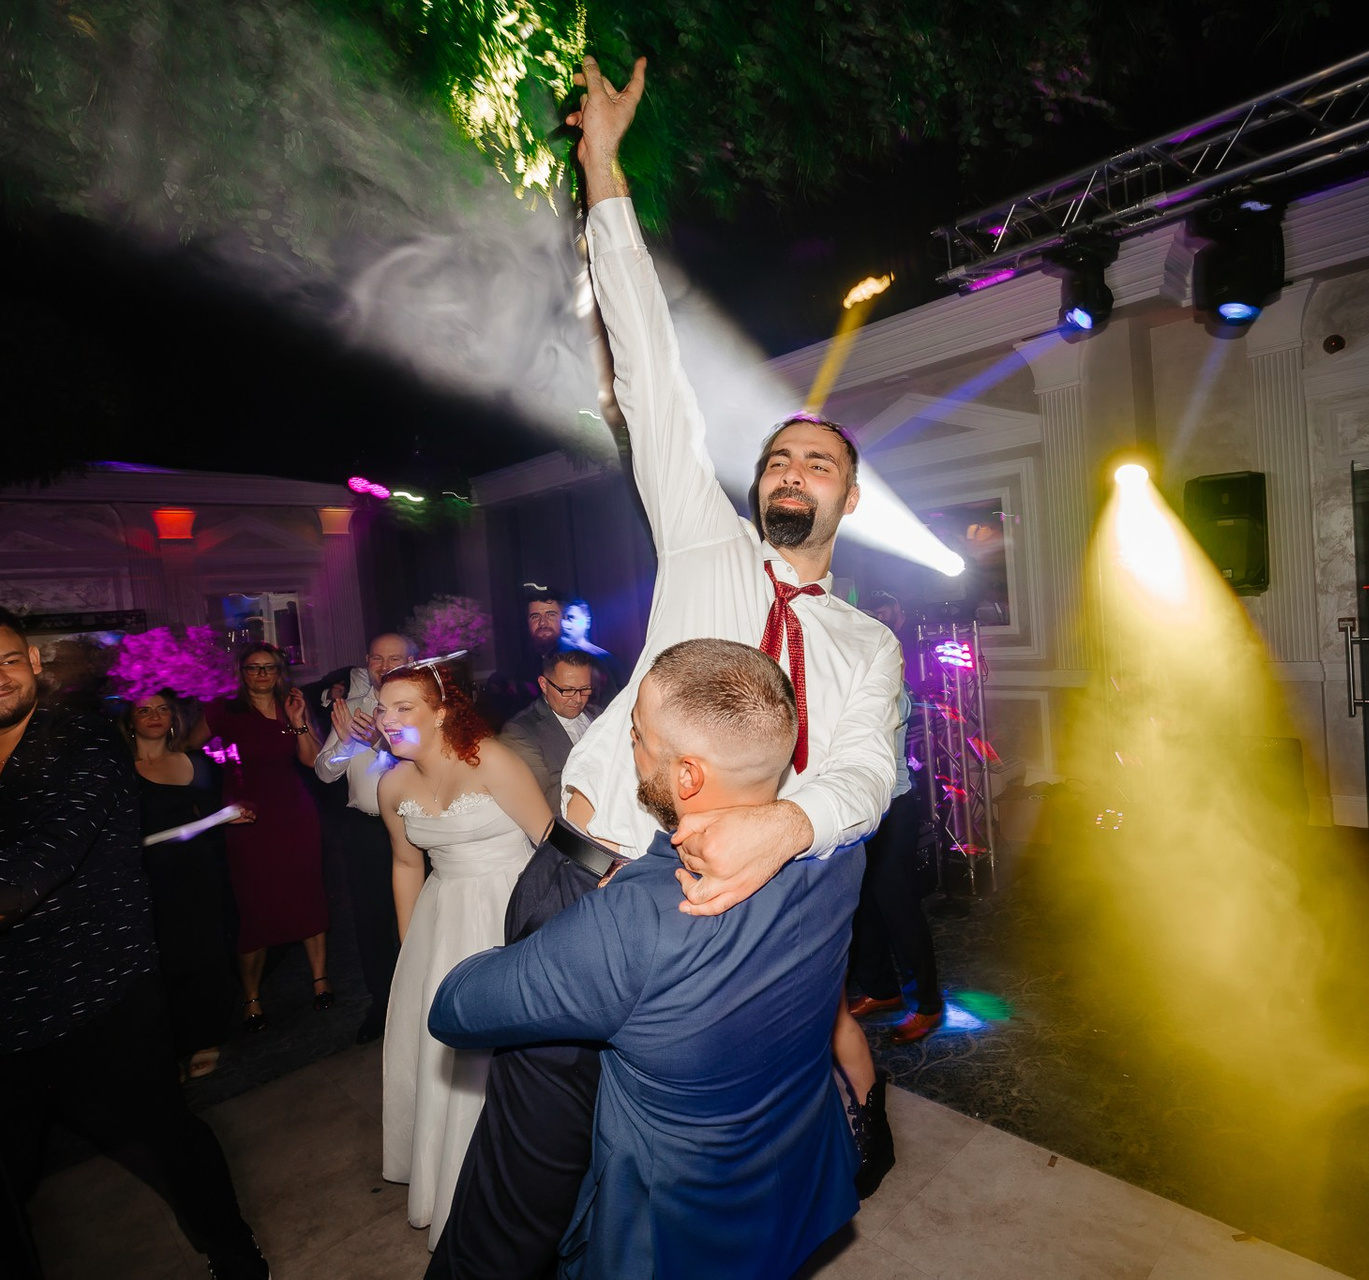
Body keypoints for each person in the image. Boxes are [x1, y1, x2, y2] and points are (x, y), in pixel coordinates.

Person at [426, 52, 902, 1280]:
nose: (792, 471)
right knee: (529, 1178)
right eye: (781, 457)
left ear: (850, 498)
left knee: (671, 1185)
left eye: (820, 463)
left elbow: (866, 773)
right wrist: (604, 172)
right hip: (590, 885)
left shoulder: (865, 645)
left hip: (732, 921)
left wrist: (786, 828)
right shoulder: (702, 538)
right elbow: (649, 366)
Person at [0, 605, 265, 1278]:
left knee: (172, 1146)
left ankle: (238, 1258)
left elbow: (39, 865)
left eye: (9, 660)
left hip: (104, 999)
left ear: (34, 664)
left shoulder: (84, 741)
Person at [431, 640, 860, 1279]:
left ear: (687, 777)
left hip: (673, 1232)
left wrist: (568, 931)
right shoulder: (838, 849)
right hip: (795, 1178)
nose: (629, 746)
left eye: (636, 734)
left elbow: (454, 1008)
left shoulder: (631, 923)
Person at [375, 661, 552, 1251]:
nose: (388, 719)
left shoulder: (491, 759)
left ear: (441, 711)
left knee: (508, 1054)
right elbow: (406, 865)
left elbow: (549, 841)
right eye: (383, 708)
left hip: (507, 910)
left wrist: (612, 880)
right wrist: (412, 951)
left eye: (404, 707)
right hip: (441, 921)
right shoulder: (392, 786)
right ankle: (453, 1187)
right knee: (450, 1056)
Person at [198, 643, 334, 1030]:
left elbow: (313, 759)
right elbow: (189, 751)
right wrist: (218, 767)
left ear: (279, 672)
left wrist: (299, 720)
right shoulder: (222, 709)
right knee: (253, 904)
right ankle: (252, 996)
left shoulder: (292, 704)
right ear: (241, 673)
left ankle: (320, 980)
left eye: (269, 668)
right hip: (247, 818)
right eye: (253, 668)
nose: (261, 674)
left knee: (307, 893)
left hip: (295, 813)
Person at [123, 692, 241, 1080]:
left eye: (162, 709)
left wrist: (228, 818)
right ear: (130, 721)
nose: (154, 716)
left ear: (173, 718)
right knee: (161, 961)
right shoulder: (119, 772)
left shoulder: (195, 762)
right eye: (144, 710)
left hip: (197, 872)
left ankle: (207, 1035)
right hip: (148, 877)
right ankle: (169, 1044)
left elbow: (210, 816)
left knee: (205, 952)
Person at [846, 597, 943, 1043]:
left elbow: (881, 720)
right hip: (861, 808)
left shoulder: (892, 691)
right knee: (864, 904)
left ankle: (927, 1004)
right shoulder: (857, 681)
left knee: (899, 907)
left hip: (893, 808)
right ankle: (881, 988)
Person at [316, 631, 416, 1044]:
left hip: (414, 827)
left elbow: (424, 764)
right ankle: (383, 1003)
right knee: (371, 920)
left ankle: (422, 997)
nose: (384, 666)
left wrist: (378, 743)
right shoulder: (354, 708)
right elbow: (325, 772)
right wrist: (345, 743)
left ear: (413, 661)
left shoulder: (425, 706)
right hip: (364, 829)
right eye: (377, 658)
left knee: (418, 916)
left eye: (395, 658)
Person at [497, 648, 599, 817]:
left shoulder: (602, 715)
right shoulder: (520, 731)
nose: (577, 699)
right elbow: (540, 802)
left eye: (585, 689)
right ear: (544, 685)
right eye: (567, 690)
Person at [559, 599, 626, 700]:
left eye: (571, 618)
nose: (565, 624)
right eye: (563, 618)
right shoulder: (552, 656)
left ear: (587, 622)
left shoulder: (604, 658)